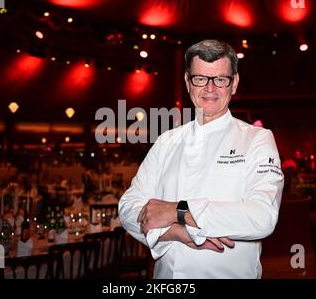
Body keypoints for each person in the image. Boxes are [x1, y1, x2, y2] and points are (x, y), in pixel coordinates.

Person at [119, 39, 284, 278]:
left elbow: (262, 217)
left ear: (234, 83)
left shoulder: (257, 139)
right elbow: (127, 207)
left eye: (220, 79)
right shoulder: (167, 141)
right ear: (188, 82)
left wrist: (178, 210)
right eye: (200, 78)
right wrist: (174, 232)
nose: (210, 89)